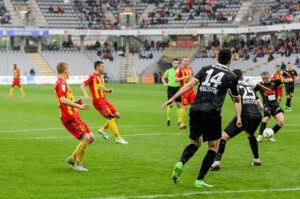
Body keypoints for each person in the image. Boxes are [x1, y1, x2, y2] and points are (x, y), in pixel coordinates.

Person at [162, 48, 241, 188]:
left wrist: (173, 98)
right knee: (213, 147)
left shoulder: (205, 68)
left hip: (196, 108)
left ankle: (181, 162)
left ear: (217, 58)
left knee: (195, 143)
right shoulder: (231, 76)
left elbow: (190, 84)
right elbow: (236, 98)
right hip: (212, 112)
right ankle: (199, 180)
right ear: (230, 60)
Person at [210, 69, 263, 171]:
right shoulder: (250, 88)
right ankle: (257, 159)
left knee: (223, 137)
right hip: (257, 115)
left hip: (245, 115)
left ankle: (216, 163)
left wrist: (239, 118)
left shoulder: (233, 87)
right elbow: (261, 106)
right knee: (250, 134)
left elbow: (237, 102)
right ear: (242, 77)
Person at [54, 62, 94, 171]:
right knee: (86, 138)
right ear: (65, 71)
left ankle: (72, 158)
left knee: (91, 138)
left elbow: (66, 99)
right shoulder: (60, 83)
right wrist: (79, 106)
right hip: (69, 117)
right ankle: (77, 164)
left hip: (74, 115)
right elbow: (62, 100)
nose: (70, 72)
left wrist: (76, 102)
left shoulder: (64, 83)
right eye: (69, 70)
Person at [80, 61, 128, 144]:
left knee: (117, 115)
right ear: (97, 67)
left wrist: (107, 90)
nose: (104, 68)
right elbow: (82, 85)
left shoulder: (100, 77)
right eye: (102, 66)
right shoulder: (93, 76)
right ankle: (118, 138)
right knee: (111, 118)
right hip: (98, 101)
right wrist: (85, 94)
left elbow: (101, 88)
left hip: (104, 99)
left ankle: (102, 130)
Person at [254, 72, 289, 142]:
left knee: (281, 121)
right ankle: (259, 136)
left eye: (266, 78)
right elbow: (251, 92)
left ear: (269, 76)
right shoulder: (259, 85)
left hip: (275, 105)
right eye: (263, 78)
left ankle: (270, 135)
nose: (265, 80)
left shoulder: (275, 82)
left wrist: (288, 80)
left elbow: (284, 81)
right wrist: (258, 100)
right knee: (266, 118)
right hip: (267, 106)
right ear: (261, 78)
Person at [175, 57, 196, 129]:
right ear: (182, 62)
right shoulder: (180, 69)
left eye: (188, 61)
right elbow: (176, 79)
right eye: (185, 61)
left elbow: (190, 78)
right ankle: (182, 124)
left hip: (191, 90)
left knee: (195, 106)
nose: (187, 62)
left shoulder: (190, 69)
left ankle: (194, 123)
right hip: (184, 90)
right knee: (185, 107)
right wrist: (184, 78)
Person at [161, 58, 182, 126]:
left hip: (178, 88)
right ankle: (168, 120)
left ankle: (179, 121)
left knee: (179, 105)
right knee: (170, 104)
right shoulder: (168, 71)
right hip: (170, 88)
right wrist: (164, 83)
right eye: (175, 63)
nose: (176, 64)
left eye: (177, 63)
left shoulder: (180, 71)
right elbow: (163, 77)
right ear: (172, 63)